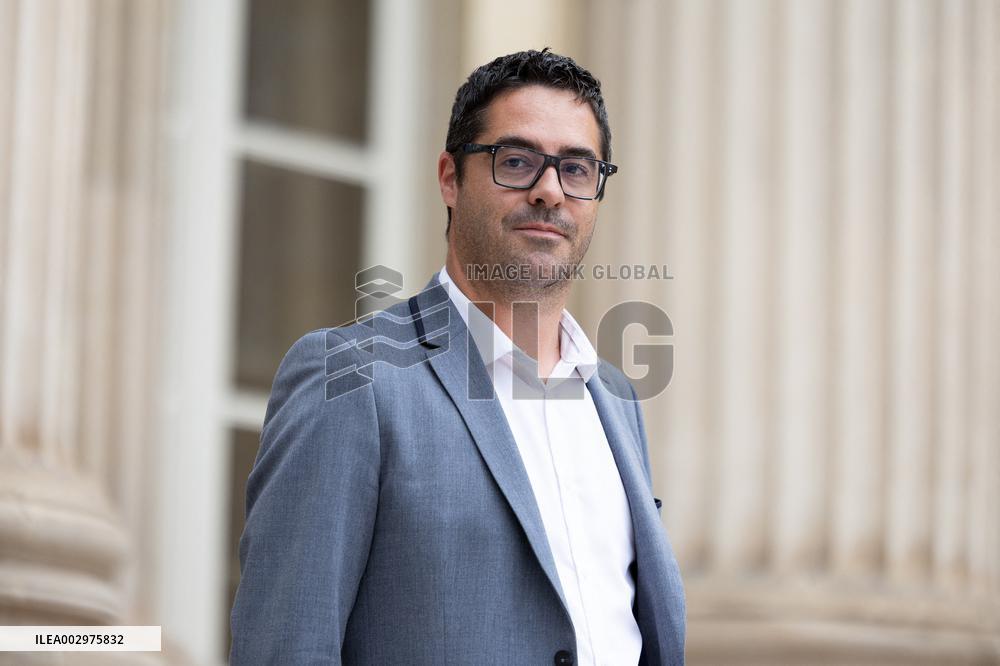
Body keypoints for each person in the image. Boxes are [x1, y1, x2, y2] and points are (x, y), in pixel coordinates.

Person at [230, 49, 685, 666]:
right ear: (450, 177)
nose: (549, 190)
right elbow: (284, 649)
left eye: (576, 169)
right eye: (516, 161)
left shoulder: (617, 401)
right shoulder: (352, 376)